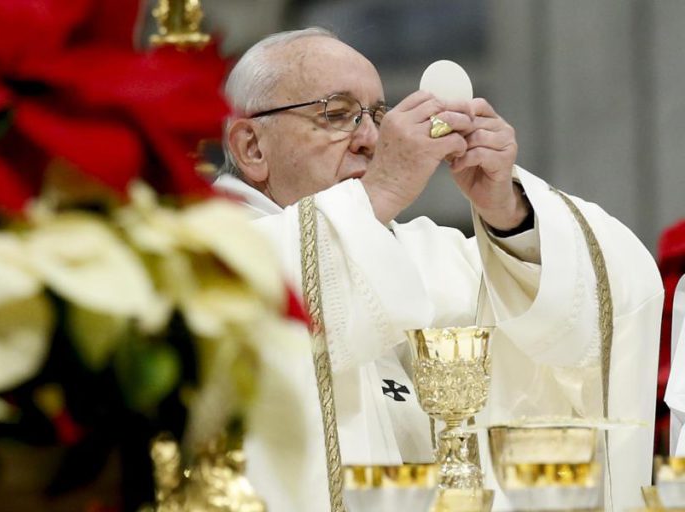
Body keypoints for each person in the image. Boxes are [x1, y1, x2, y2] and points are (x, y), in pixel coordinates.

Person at [214, 27, 664, 511]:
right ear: (252, 147)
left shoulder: (428, 253)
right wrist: (382, 191)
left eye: (378, 116)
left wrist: (510, 213)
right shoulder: (202, 262)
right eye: (337, 115)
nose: (371, 139)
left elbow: (605, 296)